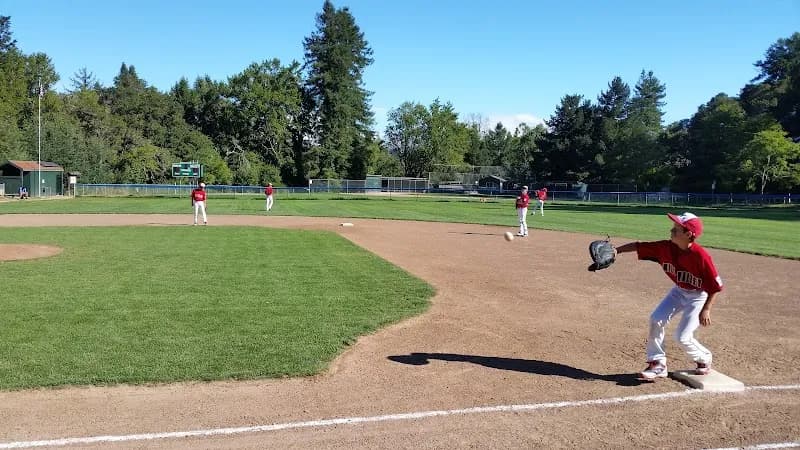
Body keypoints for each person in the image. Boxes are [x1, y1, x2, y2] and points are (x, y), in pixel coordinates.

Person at [615, 212, 723, 381]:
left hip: (698, 296)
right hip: (679, 291)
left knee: (682, 337)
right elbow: (639, 246)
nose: (671, 231)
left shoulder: (700, 256)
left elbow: (715, 286)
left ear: (688, 234)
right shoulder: (665, 248)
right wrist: (616, 250)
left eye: (676, 229)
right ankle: (658, 364)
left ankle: (704, 358)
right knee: (656, 319)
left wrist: (706, 309)